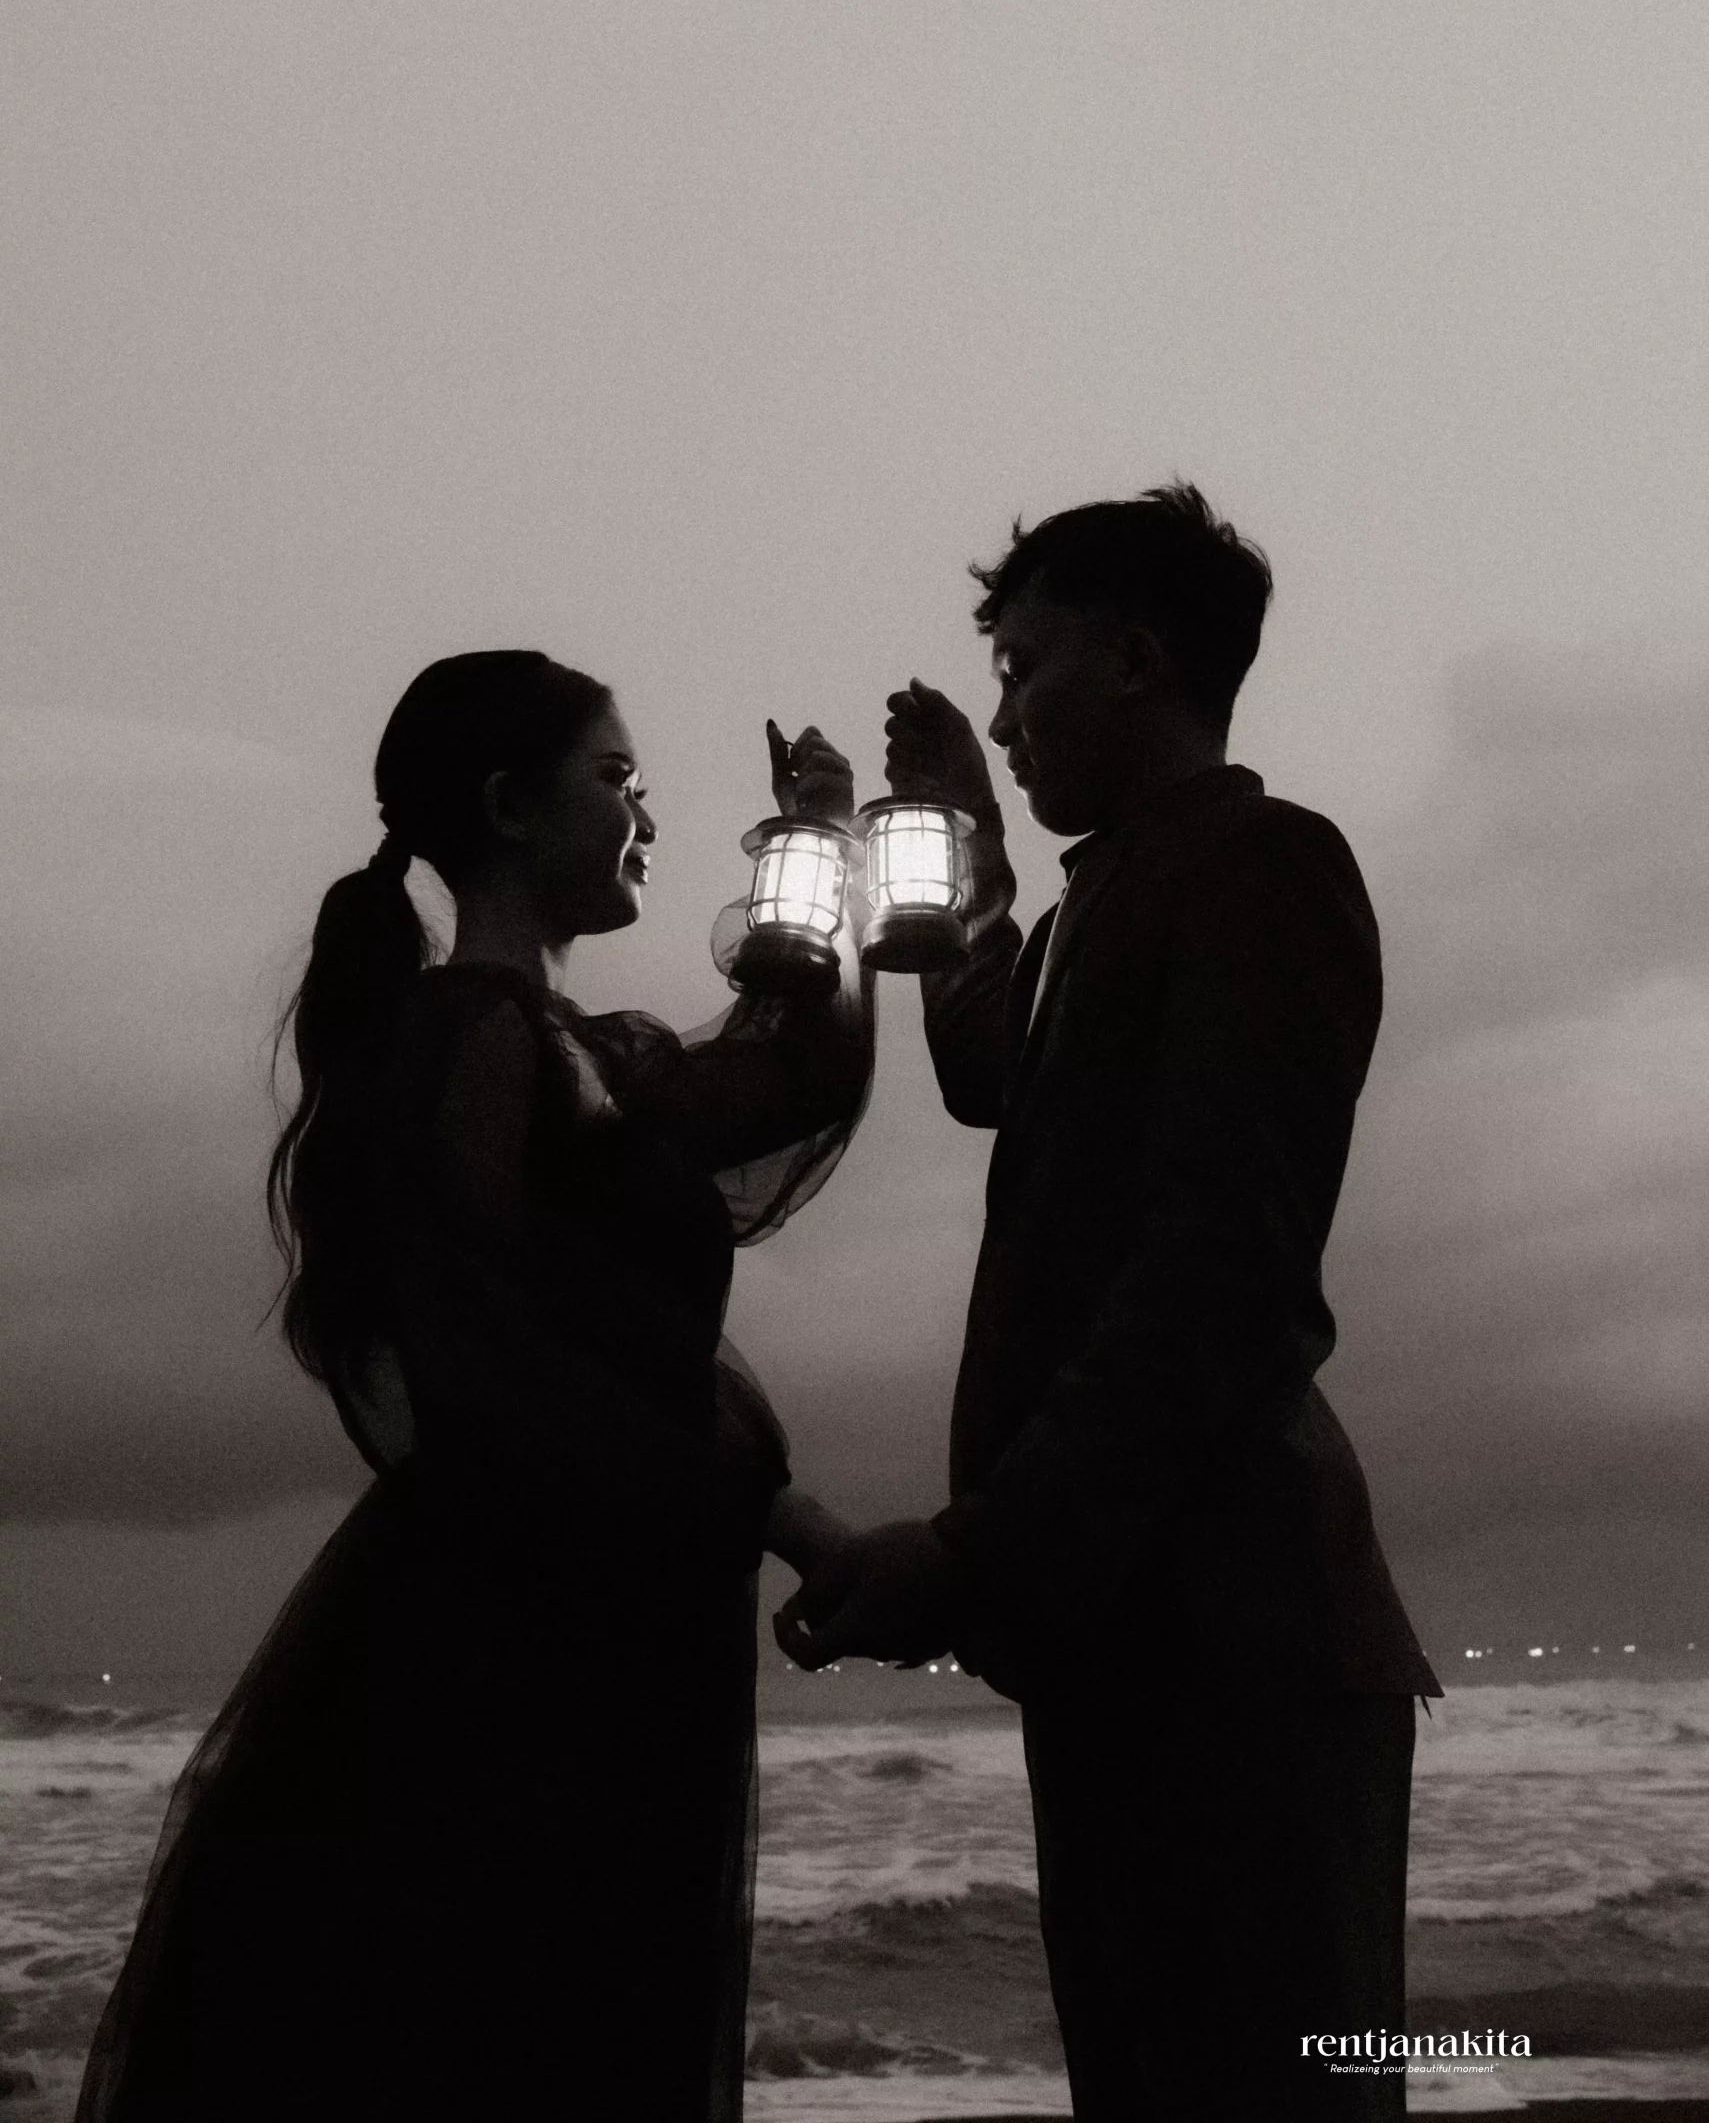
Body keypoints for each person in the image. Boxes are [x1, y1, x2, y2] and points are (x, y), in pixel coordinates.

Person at [78, 650, 869, 2123]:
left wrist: (820, 841)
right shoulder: (475, 1041)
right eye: (616, 780)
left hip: (590, 1633)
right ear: (509, 807)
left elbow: (793, 1084)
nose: (647, 814)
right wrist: (782, 1516)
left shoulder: (575, 1051)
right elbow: (498, 1372)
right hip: (517, 1659)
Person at [777, 488, 1441, 2120]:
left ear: (1138, 660)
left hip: (1240, 1643)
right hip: (1129, 1640)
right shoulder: (1104, 899)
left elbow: (1216, 1280)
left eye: (1022, 669)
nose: (1003, 719)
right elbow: (989, 1072)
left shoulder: (1266, 868)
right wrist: (963, 856)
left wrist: (972, 1551)